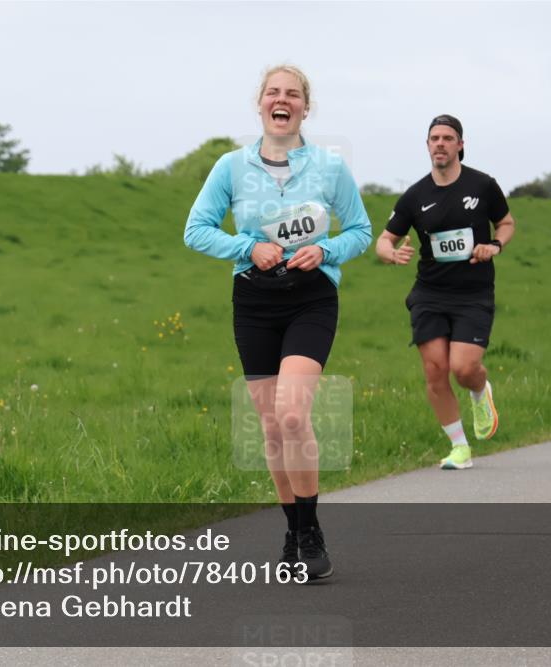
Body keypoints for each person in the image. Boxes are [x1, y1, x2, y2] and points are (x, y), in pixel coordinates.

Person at [184, 65, 372, 579]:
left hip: (311, 298)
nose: (281, 100)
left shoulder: (330, 167)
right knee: (270, 427)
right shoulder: (231, 167)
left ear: (305, 108)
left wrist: (326, 250)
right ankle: (293, 529)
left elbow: (360, 229)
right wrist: (247, 247)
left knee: (291, 415)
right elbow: (196, 229)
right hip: (255, 302)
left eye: (292, 94)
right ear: (261, 104)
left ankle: (311, 533)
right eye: (273, 92)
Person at [375, 115, 516, 470]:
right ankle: (459, 448)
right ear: (427, 146)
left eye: (448, 138)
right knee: (435, 369)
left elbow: (506, 223)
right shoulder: (415, 195)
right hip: (430, 293)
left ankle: (480, 390)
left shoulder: (483, 185)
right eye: (434, 138)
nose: (440, 143)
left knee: (464, 369)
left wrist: (495, 245)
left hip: (473, 293)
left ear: (460, 145)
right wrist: (391, 254)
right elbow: (384, 239)